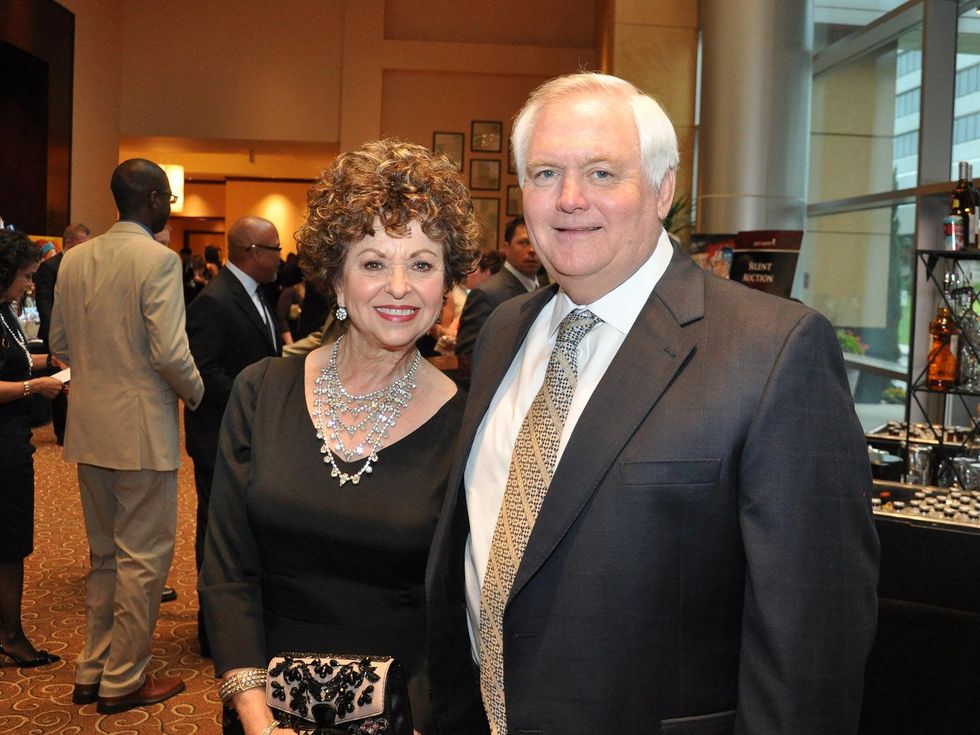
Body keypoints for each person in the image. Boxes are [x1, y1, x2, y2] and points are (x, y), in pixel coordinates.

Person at [426, 72, 880, 735]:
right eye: (546, 172)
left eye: (604, 172)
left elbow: (812, 645)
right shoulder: (504, 333)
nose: (570, 198)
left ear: (663, 190)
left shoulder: (774, 352)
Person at [199, 139, 480, 735]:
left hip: (410, 711)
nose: (399, 287)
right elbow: (228, 568)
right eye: (374, 262)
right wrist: (254, 713)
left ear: (447, 285)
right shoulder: (261, 390)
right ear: (337, 278)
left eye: (423, 264)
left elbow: (467, 606)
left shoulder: (471, 422)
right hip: (264, 709)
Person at [49, 158, 204, 714]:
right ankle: (123, 680)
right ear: (158, 199)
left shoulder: (74, 259)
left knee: (105, 558)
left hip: (90, 429)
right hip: (141, 432)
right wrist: (197, 391)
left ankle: (92, 669)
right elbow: (168, 352)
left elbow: (60, 341)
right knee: (143, 560)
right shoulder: (158, 260)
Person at [184, 215, 283, 657]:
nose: (280, 257)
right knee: (216, 533)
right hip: (217, 436)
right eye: (273, 249)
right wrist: (257, 394)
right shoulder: (215, 300)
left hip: (243, 433)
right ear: (249, 253)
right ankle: (213, 633)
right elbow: (203, 375)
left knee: (242, 530)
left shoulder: (257, 294)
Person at [0, 229, 65, 669]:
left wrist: (53, 363)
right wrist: (34, 386)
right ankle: (10, 636)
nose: (29, 286)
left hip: (13, 440)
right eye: (24, 276)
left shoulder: (4, 312)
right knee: (9, 544)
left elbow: (16, 357)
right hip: (3, 448)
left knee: (10, 543)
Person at [34, 223, 90, 445]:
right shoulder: (49, 267)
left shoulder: (84, 266)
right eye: (83, 243)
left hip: (79, 334)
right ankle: (63, 431)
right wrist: (57, 334)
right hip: (55, 337)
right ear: (70, 243)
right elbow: (44, 304)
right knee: (59, 385)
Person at [454, 216, 540, 357]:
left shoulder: (550, 289)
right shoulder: (486, 294)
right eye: (524, 242)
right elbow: (468, 356)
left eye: (537, 243)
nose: (532, 250)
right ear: (506, 248)